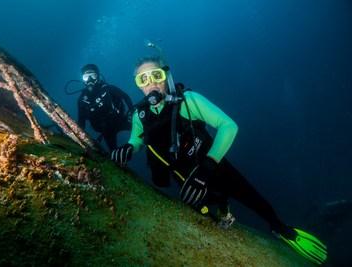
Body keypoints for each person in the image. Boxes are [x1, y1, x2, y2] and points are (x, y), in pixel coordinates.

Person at [111, 56, 328, 265]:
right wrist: (129, 148)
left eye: (156, 75)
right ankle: (222, 206)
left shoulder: (188, 101)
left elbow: (228, 126)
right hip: (185, 178)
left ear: (166, 76)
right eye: (143, 79)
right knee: (206, 214)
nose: (151, 84)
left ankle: (283, 231)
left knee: (254, 200)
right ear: (138, 85)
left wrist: (208, 166)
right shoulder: (140, 115)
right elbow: (136, 138)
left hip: (213, 167)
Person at [77, 64, 133, 151]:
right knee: (114, 151)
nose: (90, 80)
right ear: (82, 80)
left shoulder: (109, 89)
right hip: (105, 130)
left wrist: (132, 111)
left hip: (120, 120)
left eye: (93, 76)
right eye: (86, 77)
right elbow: (81, 121)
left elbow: (125, 97)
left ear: (98, 77)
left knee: (141, 128)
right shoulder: (82, 100)